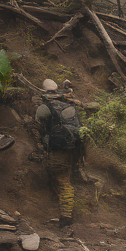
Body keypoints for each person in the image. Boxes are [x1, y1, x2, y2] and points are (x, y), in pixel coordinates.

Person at [34, 78, 83, 228]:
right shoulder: (70, 105)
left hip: (57, 151)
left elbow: (36, 124)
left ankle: (66, 218)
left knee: (63, 182)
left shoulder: (45, 107)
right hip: (73, 150)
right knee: (63, 177)